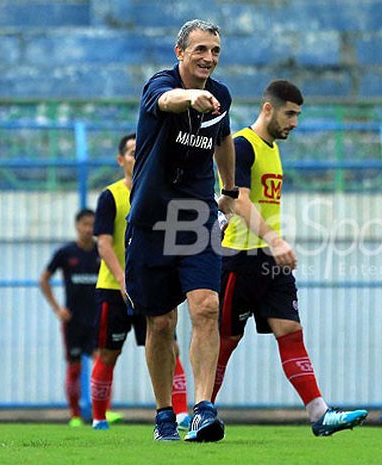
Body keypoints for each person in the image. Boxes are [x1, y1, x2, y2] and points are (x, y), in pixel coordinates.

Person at [212, 80, 368, 436]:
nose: (295, 122)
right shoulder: (242, 145)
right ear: (268, 108)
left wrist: (273, 246)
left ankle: (319, 414)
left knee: (291, 331)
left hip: (269, 262)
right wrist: (275, 240)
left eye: (298, 114)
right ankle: (200, 412)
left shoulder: (272, 148)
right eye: (291, 113)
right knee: (225, 342)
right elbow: (240, 200)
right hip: (241, 258)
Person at [125, 18, 237, 442]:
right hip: (152, 216)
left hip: (195, 215)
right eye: (201, 50)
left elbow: (223, 138)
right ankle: (163, 415)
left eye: (215, 51)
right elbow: (168, 101)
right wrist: (191, 96)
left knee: (206, 306)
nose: (208, 58)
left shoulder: (221, 96)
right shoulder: (160, 83)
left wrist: (229, 189)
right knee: (160, 323)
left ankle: (203, 409)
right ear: (180, 53)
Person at [90, 133, 191, 431]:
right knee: (109, 352)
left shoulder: (161, 193)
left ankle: (181, 412)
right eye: (131, 152)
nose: (137, 157)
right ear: (121, 160)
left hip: (151, 283)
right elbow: (104, 244)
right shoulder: (111, 196)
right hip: (114, 288)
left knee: (169, 346)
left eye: (141, 151)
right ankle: (98, 418)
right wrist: (122, 279)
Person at [39, 209, 100, 426]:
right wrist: (57, 309)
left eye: (93, 224)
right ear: (77, 226)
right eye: (85, 224)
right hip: (73, 320)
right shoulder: (66, 253)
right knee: (74, 368)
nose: (89, 229)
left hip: (96, 319)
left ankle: (103, 412)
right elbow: (44, 279)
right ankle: (75, 415)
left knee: (102, 363)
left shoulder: (102, 252)